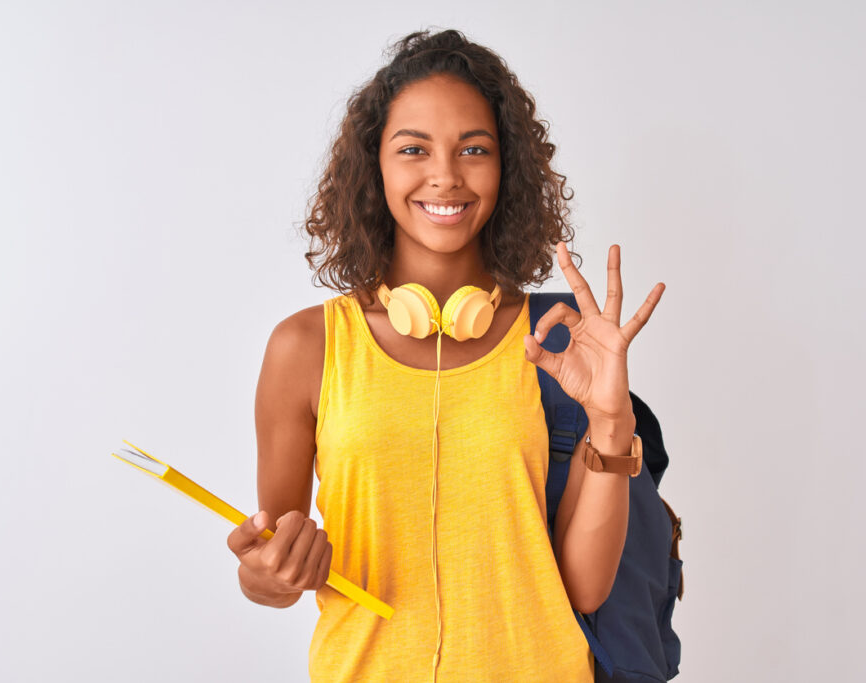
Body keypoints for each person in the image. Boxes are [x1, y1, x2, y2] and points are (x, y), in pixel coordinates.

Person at [226, 29, 665, 682]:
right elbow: (276, 566)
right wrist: (265, 573)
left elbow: (584, 589)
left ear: (505, 166)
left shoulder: (556, 341)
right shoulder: (306, 348)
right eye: (414, 149)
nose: (446, 175)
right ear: (374, 165)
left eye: (474, 149)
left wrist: (611, 421)